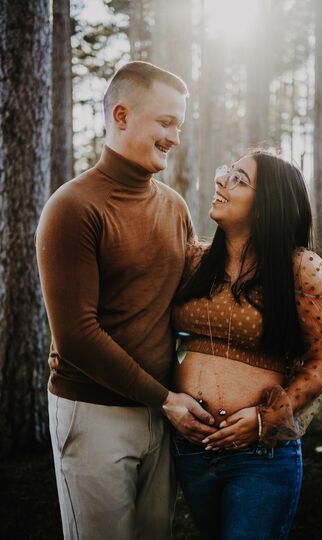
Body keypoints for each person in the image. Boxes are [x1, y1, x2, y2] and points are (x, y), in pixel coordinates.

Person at [36, 61, 216, 540]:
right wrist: (166, 399)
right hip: (94, 413)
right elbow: (76, 336)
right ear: (121, 115)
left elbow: (191, 297)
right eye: (165, 122)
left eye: (178, 125)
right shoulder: (73, 207)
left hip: (162, 413)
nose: (174, 138)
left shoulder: (174, 205)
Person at [171, 150, 322, 540]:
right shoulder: (193, 261)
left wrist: (264, 419)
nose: (220, 182)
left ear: (267, 206)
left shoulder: (300, 268)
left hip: (261, 454)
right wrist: (168, 400)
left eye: (238, 179)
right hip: (192, 448)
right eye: (225, 172)